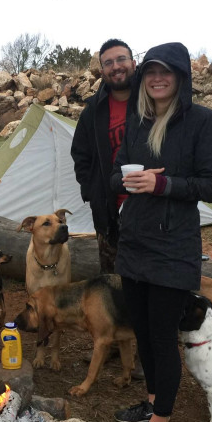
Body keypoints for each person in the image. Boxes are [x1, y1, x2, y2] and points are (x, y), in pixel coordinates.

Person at [109, 42, 212, 422]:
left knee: (161, 336)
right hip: (136, 240)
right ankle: (155, 401)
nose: (158, 78)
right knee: (141, 331)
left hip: (174, 246)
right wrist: (123, 180)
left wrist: (164, 184)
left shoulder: (202, 122)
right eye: (152, 71)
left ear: (180, 77)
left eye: (167, 72)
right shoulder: (138, 121)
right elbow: (115, 172)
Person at [71, 38, 136, 274]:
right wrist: (92, 191)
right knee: (113, 282)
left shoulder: (150, 101)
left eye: (121, 59)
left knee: (151, 281)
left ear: (133, 63)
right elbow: (80, 153)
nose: (116, 66)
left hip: (150, 207)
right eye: (108, 62)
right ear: (102, 71)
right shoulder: (93, 111)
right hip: (108, 213)